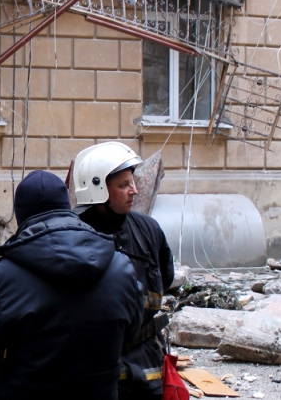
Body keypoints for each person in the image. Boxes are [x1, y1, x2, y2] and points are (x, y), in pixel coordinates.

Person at [0, 170, 144, 400]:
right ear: (66, 208)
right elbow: (131, 332)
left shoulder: (2, 276)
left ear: (22, 216)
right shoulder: (120, 265)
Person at [73, 141, 175, 400]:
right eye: (123, 185)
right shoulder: (73, 234)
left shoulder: (148, 229)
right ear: (98, 190)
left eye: (133, 182)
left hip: (146, 362)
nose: (135, 191)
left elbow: (166, 277)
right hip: (96, 366)